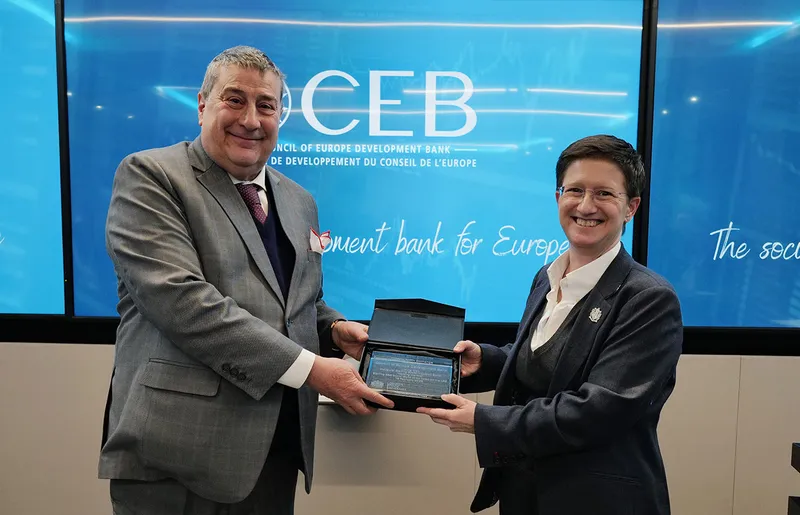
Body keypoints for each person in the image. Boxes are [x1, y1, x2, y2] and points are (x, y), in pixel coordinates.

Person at [99, 45, 393, 515]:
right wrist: (315, 370)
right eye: (234, 100)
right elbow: (183, 303)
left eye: (266, 105)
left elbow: (296, 301)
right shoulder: (151, 176)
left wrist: (335, 331)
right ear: (202, 105)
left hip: (273, 455)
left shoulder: (299, 201)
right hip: (178, 458)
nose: (251, 120)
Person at [418, 135, 683, 515]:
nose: (586, 206)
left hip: (598, 501)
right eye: (574, 190)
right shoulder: (547, 275)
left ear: (631, 207)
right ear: (558, 196)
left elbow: (598, 411)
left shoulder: (648, 298)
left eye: (604, 194)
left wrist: (484, 421)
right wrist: (488, 360)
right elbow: (552, 359)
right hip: (525, 492)